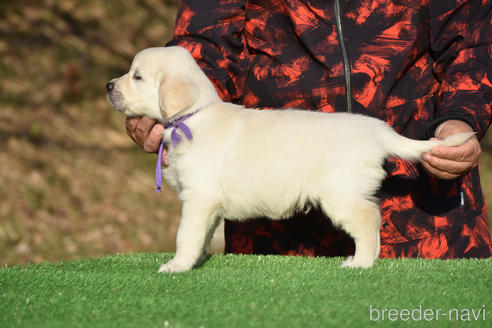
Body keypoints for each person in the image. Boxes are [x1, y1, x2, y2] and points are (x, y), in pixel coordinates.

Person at [126, 0, 492, 259]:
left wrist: (461, 115)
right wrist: (167, 107)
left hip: (424, 212)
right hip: (272, 228)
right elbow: (203, 46)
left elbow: (473, 39)